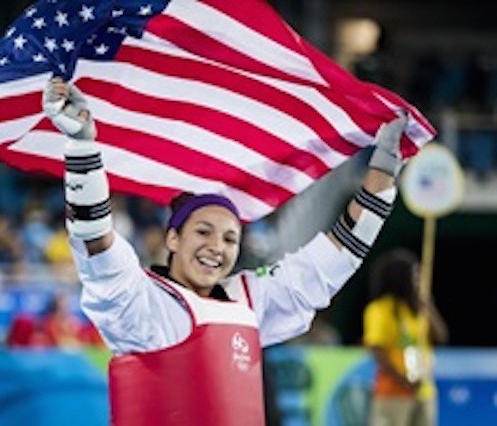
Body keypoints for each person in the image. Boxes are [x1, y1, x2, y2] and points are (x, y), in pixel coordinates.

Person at [44, 76, 409, 425]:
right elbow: (96, 241)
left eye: (230, 238)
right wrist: (82, 146)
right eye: (203, 232)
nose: (216, 247)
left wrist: (383, 172)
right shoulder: (141, 304)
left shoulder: (248, 302)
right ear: (173, 239)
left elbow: (333, 259)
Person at [363, 248, 448, 426]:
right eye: (415, 276)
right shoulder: (380, 309)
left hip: (424, 391)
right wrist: (404, 381)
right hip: (393, 393)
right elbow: (377, 350)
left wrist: (429, 307)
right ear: (400, 278)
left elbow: (441, 337)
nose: (418, 281)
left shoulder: (418, 310)